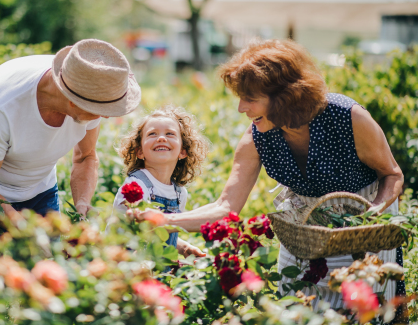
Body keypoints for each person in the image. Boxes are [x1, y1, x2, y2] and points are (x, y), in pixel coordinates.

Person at [132, 39, 405, 308]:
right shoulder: (257, 138)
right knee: (297, 302)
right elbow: (226, 207)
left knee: (358, 304)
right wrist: (164, 220)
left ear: (285, 97)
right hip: (303, 224)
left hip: (361, 219)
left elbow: (392, 174)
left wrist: (371, 217)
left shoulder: (347, 117)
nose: (241, 108)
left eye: (250, 99)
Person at [0, 39, 141, 229]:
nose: (106, 116)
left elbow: (85, 156)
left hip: (39, 190)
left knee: (49, 257)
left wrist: (82, 202)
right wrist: (27, 231)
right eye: (100, 109)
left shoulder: (92, 85)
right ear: (73, 101)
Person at [113, 106, 208, 258]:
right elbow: (134, 235)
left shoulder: (179, 194)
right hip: (126, 265)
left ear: (183, 151)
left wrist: (183, 247)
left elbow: (161, 234)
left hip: (158, 271)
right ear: (140, 152)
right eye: (152, 134)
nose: (161, 138)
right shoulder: (135, 186)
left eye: (170, 133)